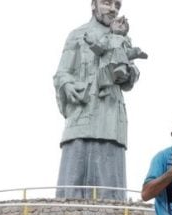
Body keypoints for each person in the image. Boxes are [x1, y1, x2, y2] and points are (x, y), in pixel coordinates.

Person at [54, 0, 141, 201]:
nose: (112, 9)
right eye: (107, 3)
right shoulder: (76, 35)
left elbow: (132, 76)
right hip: (81, 114)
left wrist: (127, 73)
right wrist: (67, 85)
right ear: (93, 5)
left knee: (111, 187)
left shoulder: (123, 39)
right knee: (72, 182)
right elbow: (61, 73)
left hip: (111, 115)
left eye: (117, 5)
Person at [82, 15, 147, 98]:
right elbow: (100, 48)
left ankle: (121, 70)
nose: (120, 25)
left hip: (119, 64)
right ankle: (104, 89)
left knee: (120, 54)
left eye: (123, 25)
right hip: (106, 65)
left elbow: (128, 54)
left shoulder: (125, 41)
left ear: (125, 31)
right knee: (103, 76)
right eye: (117, 22)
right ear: (111, 26)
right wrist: (91, 43)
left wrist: (136, 53)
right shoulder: (106, 38)